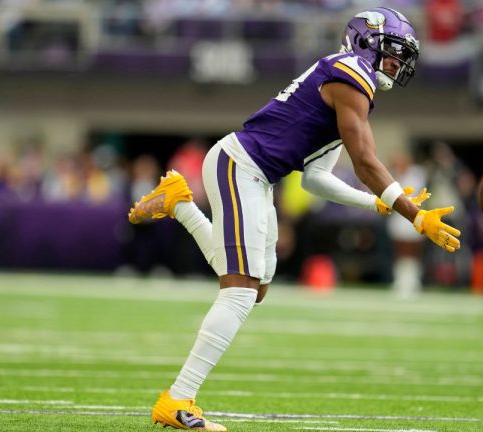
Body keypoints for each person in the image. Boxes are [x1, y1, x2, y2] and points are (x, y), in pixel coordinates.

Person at [128, 8, 460, 431]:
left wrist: (374, 204)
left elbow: (317, 180)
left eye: (403, 57)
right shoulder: (350, 73)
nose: (398, 63)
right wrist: (412, 214)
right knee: (239, 292)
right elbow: (366, 160)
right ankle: (178, 399)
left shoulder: (349, 86)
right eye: (393, 52)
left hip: (257, 177)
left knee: (257, 285)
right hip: (240, 166)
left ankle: (179, 203)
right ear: (366, 42)